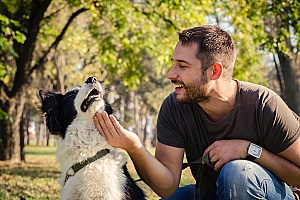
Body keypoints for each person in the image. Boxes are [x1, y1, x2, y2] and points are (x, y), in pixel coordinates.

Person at [93, 25, 300, 199]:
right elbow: (167, 186)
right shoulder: (174, 106)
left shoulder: (264, 105)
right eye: (173, 63)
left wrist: (249, 150)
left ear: (214, 71)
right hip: (212, 194)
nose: (170, 74)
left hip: (268, 191)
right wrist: (135, 147)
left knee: (237, 173)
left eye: (182, 66)